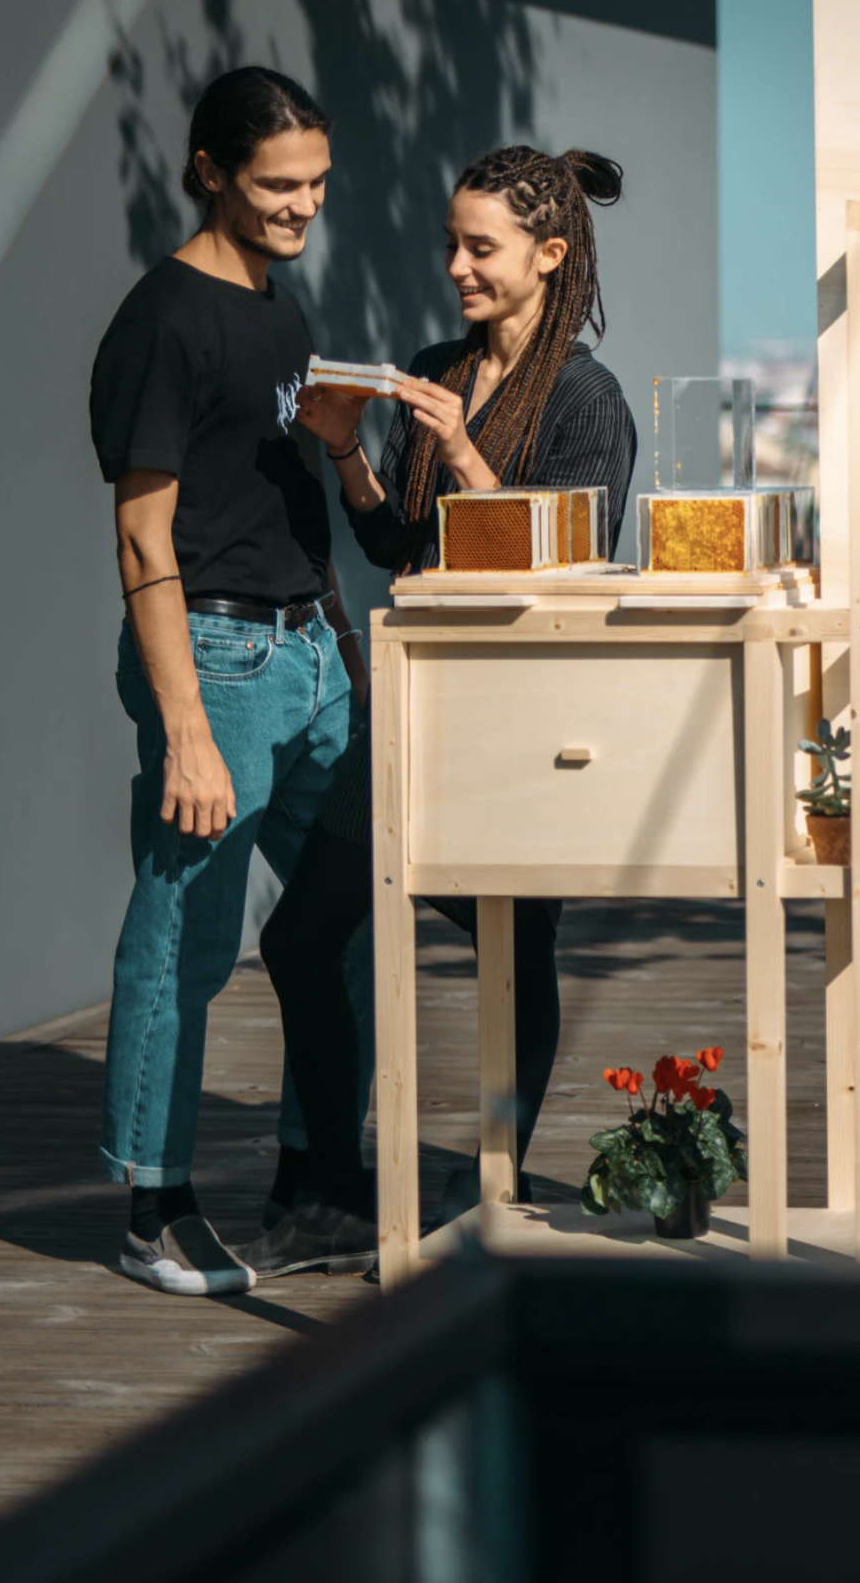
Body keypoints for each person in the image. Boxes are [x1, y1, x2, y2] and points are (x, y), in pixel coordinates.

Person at [250, 145, 637, 1277]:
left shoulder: (585, 398)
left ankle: (495, 1190)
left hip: (520, 725)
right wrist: (345, 454)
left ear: (548, 256)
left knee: (515, 947)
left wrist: (465, 449)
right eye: (453, 244)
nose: (457, 267)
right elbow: (392, 546)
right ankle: (324, 1190)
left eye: (483, 248)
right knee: (302, 938)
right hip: (414, 711)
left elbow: (563, 565)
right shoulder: (432, 367)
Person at [89, 66, 358, 1295]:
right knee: (185, 938)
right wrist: (188, 731)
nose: (303, 206)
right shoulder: (165, 321)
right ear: (209, 172)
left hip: (309, 654)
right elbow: (144, 541)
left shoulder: (278, 306)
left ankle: (317, 1178)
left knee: (340, 917)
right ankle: (154, 1206)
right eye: (277, 185)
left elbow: (280, 496)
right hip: (217, 659)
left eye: (314, 182)